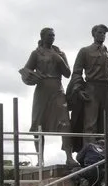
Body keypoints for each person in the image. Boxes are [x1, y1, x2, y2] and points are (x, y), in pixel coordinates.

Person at [19, 27, 77, 166]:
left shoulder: (60, 53)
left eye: (53, 35)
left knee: (65, 122)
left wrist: (59, 59)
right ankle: (40, 159)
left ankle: (69, 157)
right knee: (38, 124)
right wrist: (29, 76)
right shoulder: (36, 53)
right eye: (49, 35)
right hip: (42, 90)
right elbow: (26, 70)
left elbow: (68, 73)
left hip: (57, 88)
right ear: (43, 37)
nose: (52, 37)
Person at [68, 24, 108, 137]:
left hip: (107, 91)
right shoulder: (85, 51)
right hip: (91, 89)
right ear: (93, 34)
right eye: (99, 32)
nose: (102, 35)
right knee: (90, 124)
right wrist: (78, 90)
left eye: (104, 33)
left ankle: (103, 153)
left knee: (105, 125)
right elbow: (77, 73)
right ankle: (89, 152)